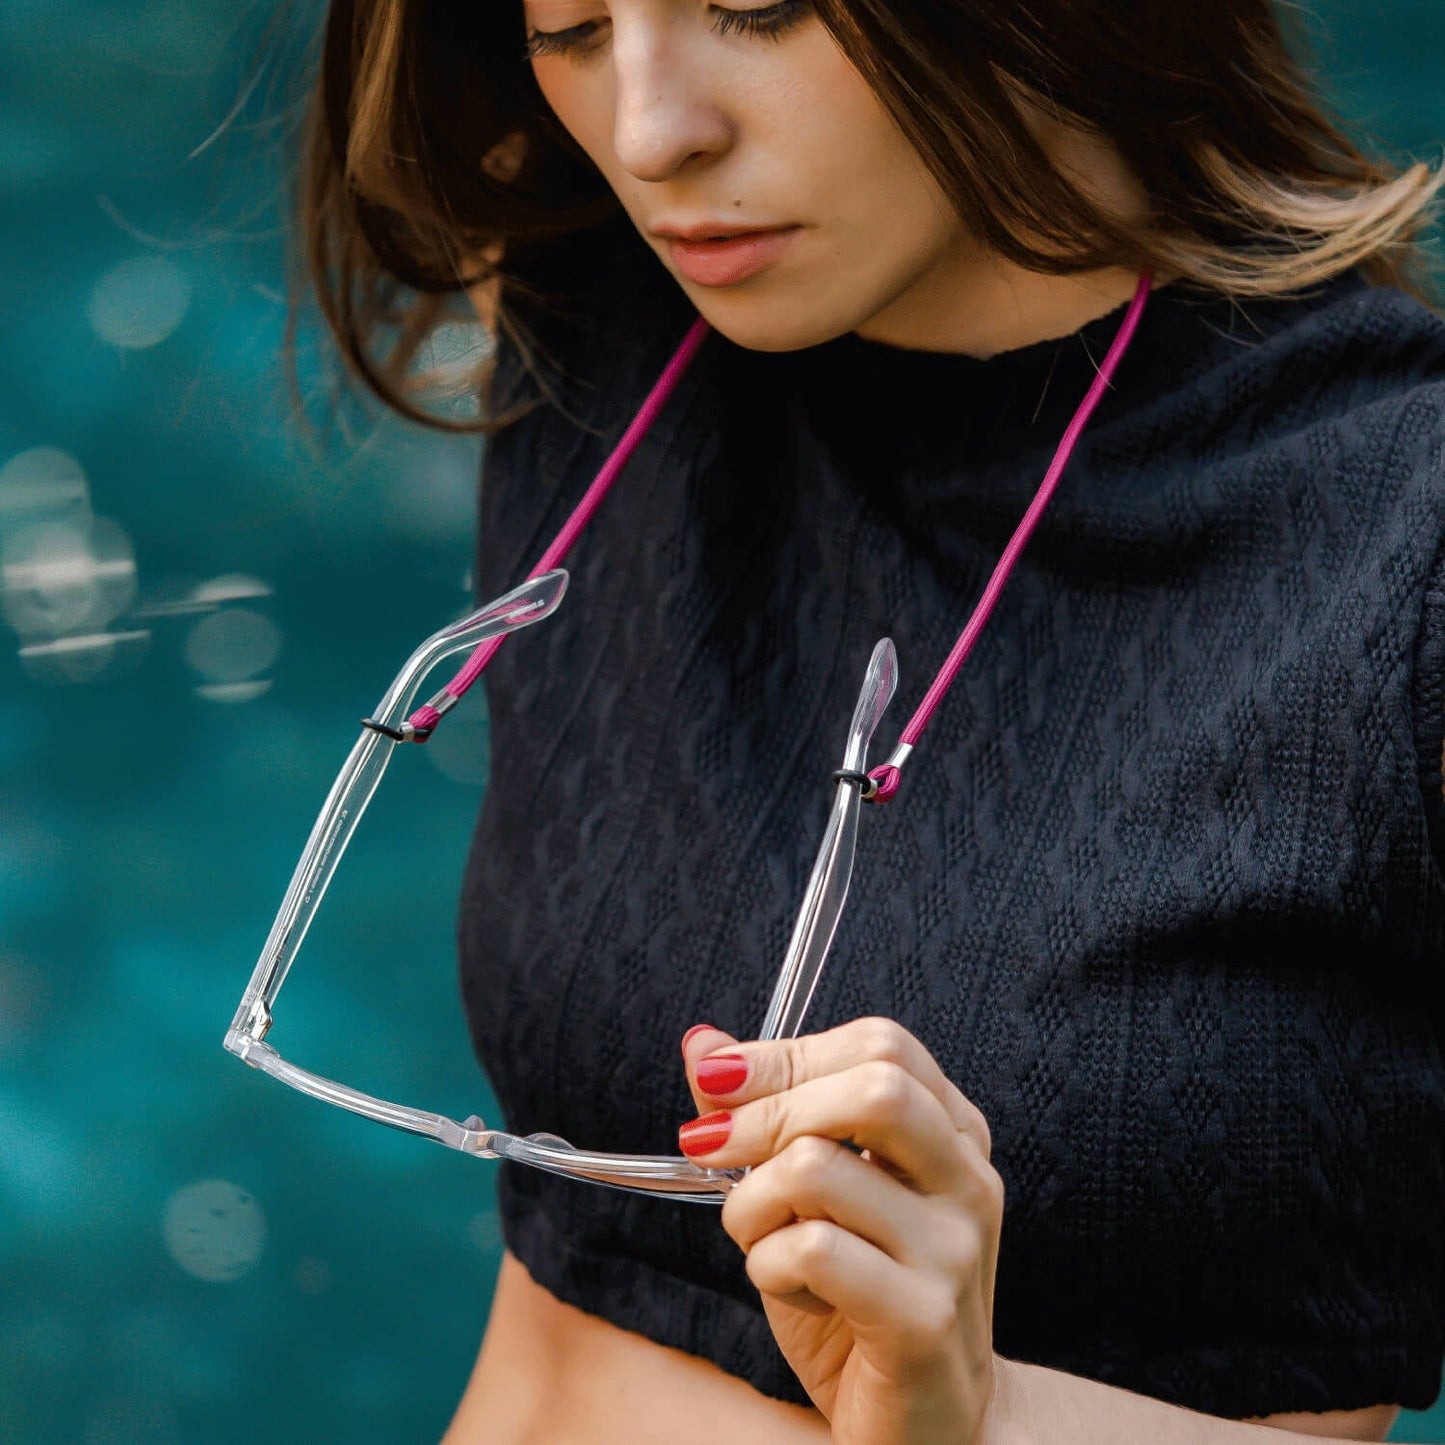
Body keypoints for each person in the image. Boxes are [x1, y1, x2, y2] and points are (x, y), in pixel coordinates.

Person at [288, 0, 1445, 1439]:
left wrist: (979, 1418)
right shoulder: (594, 298)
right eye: (570, 23)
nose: (649, 134)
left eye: (754, 5)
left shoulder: (1400, 535)